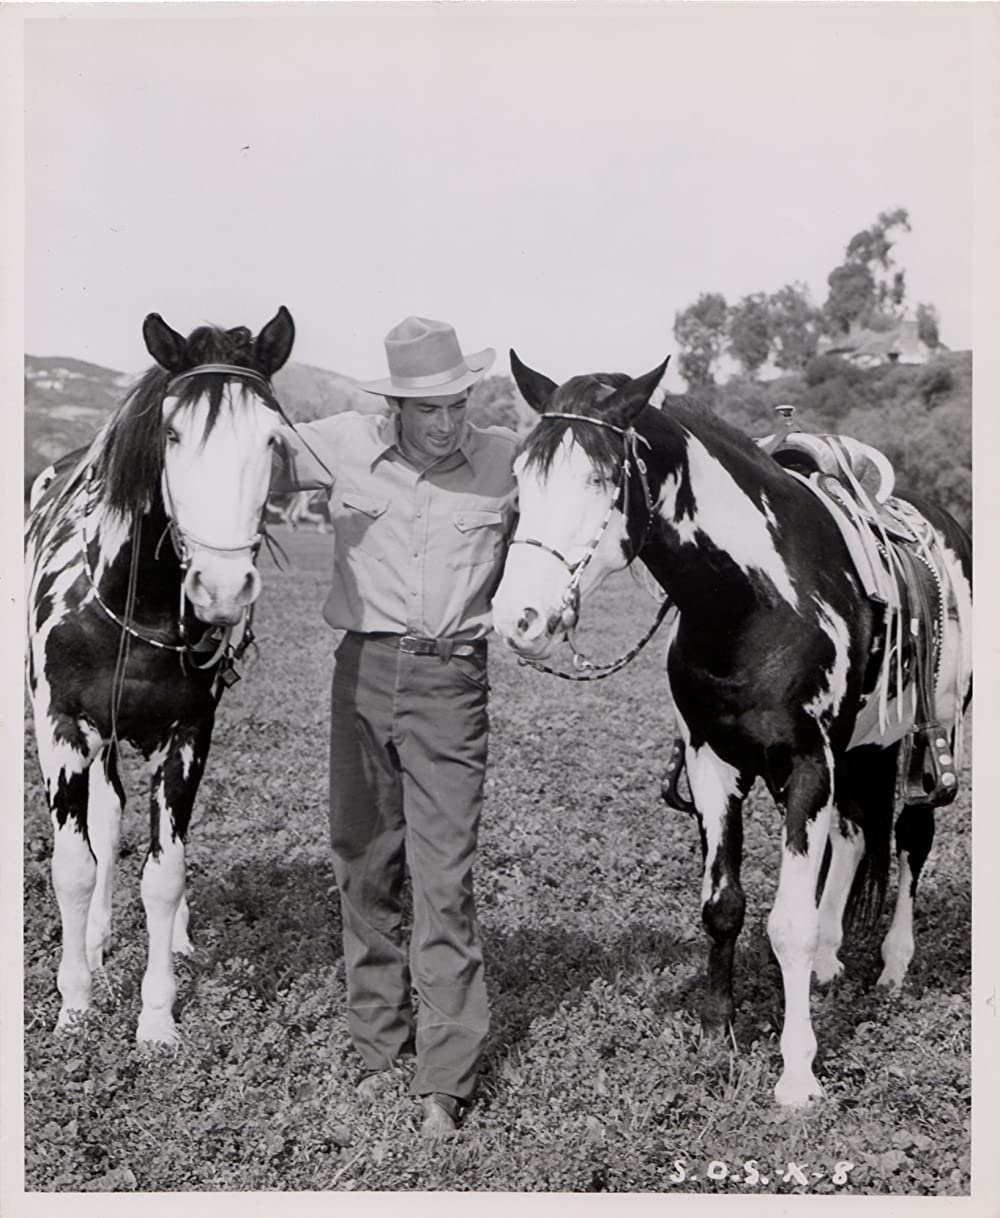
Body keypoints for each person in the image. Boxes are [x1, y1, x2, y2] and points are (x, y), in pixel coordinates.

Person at [273, 316, 518, 1136]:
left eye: (457, 405)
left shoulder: (506, 462)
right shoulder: (338, 444)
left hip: (452, 682)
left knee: (443, 878)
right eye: (428, 409)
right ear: (395, 407)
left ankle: (444, 1079)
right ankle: (378, 1047)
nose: (446, 423)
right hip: (362, 671)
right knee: (364, 862)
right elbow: (243, 451)